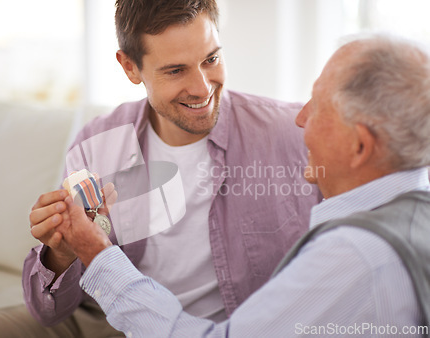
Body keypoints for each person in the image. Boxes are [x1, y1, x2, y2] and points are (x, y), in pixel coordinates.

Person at [58, 34, 430, 337]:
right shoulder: (414, 217)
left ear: (359, 145)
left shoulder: (352, 255)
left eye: (318, 107)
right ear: (130, 67)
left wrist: (99, 255)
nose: (300, 119)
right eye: (175, 69)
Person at [22, 0, 320, 336]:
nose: (202, 88)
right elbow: (47, 312)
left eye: (211, 59)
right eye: (176, 70)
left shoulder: (293, 134)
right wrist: (62, 249)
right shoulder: (98, 145)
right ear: (130, 67)